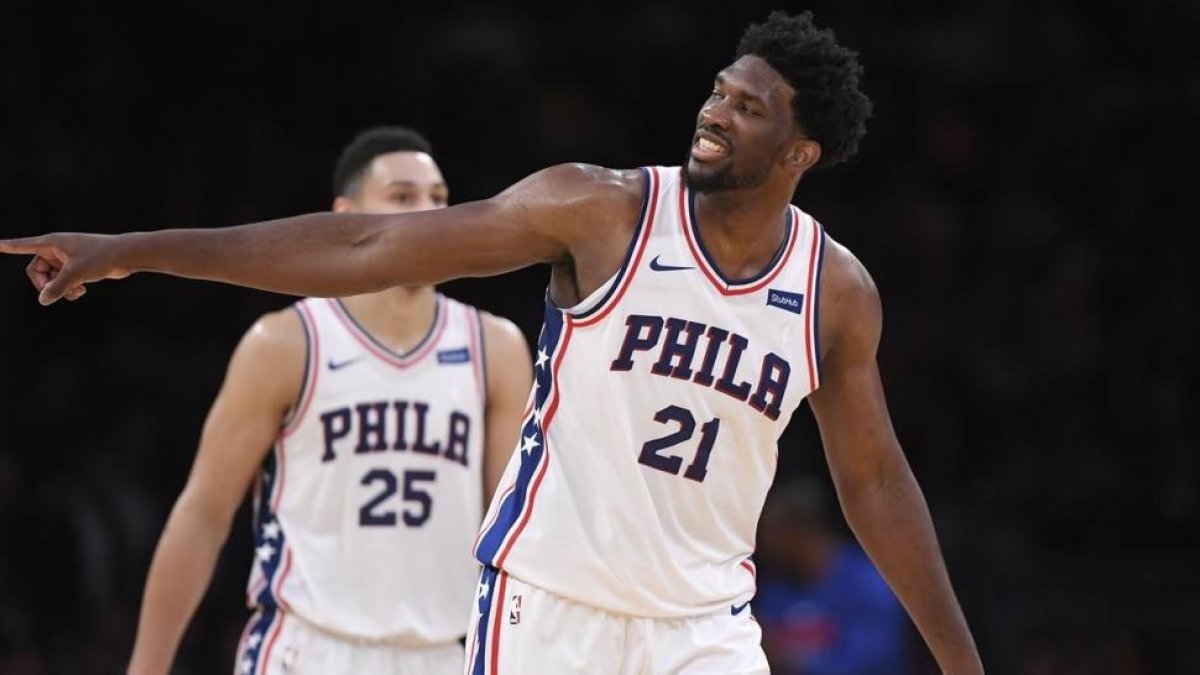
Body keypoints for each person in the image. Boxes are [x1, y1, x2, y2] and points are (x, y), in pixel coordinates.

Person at [2, 11, 985, 674]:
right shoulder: (601, 211)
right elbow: (370, 242)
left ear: (800, 152)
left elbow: (874, 482)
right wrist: (137, 251)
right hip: (548, 610)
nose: (716, 111)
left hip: (704, 630)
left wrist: (961, 663)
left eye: (749, 107)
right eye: (720, 91)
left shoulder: (835, 291)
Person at [122, 127, 533, 675]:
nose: (430, 213)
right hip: (306, 648)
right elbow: (202, 514)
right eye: (403, 197)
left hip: (441, 653)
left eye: (438, 199)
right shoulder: (287, 343)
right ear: (345, 216)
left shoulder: (495, 347)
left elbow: (512, 536)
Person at [755, 477, 909, 674]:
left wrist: (789, 661)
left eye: (774, 535)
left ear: (800, 532)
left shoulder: (866, 582)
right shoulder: (775, 587)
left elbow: (872, 660)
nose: (765, 545)